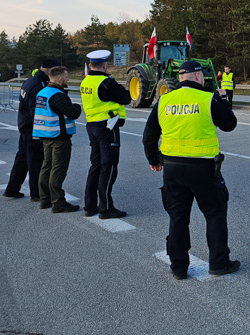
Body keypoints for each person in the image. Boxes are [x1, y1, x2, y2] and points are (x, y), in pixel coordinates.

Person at [142, 60, 240, 280]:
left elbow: (149, 135)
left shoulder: (164, 100)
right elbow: (229, 124)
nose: (204, 78)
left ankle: (178, 267)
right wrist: (223, 100)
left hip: (172, 168)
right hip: (203, 168)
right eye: (203, 75)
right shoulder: (208, 98)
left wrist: (153, 158)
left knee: (177, 217)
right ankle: (219, 263)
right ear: (197, 76)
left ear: (180, 78)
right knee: (214, 214)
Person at [81, 49, 132, 219]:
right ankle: (106, 208)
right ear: (105, 65)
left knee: (95, 166)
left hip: (92, 126)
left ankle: (89, 205)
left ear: (90, 65)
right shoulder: (106, 83)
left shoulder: (86, 82)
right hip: (108, 127)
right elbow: (126, 98)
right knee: (108, 167)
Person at [4, 59, 58, 200]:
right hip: (33, 128)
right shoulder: (39, 85)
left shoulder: (29, 81)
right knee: (36, 161)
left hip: (24, 126)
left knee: (22, 160)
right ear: (49, 69)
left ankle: (12, 189)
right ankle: (37, 193)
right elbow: (36, 110)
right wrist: (41, 129)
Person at [34, 66, 82, 212]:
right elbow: (73, 113)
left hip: (46, 135)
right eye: (66, 77)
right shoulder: (58, 95)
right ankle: (58, 202)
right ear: (60, 79)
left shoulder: (43, 92)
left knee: (46, 167)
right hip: (59, 138)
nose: (68, 79)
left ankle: (45, 199)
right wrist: (77, 106)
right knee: (58, 169)